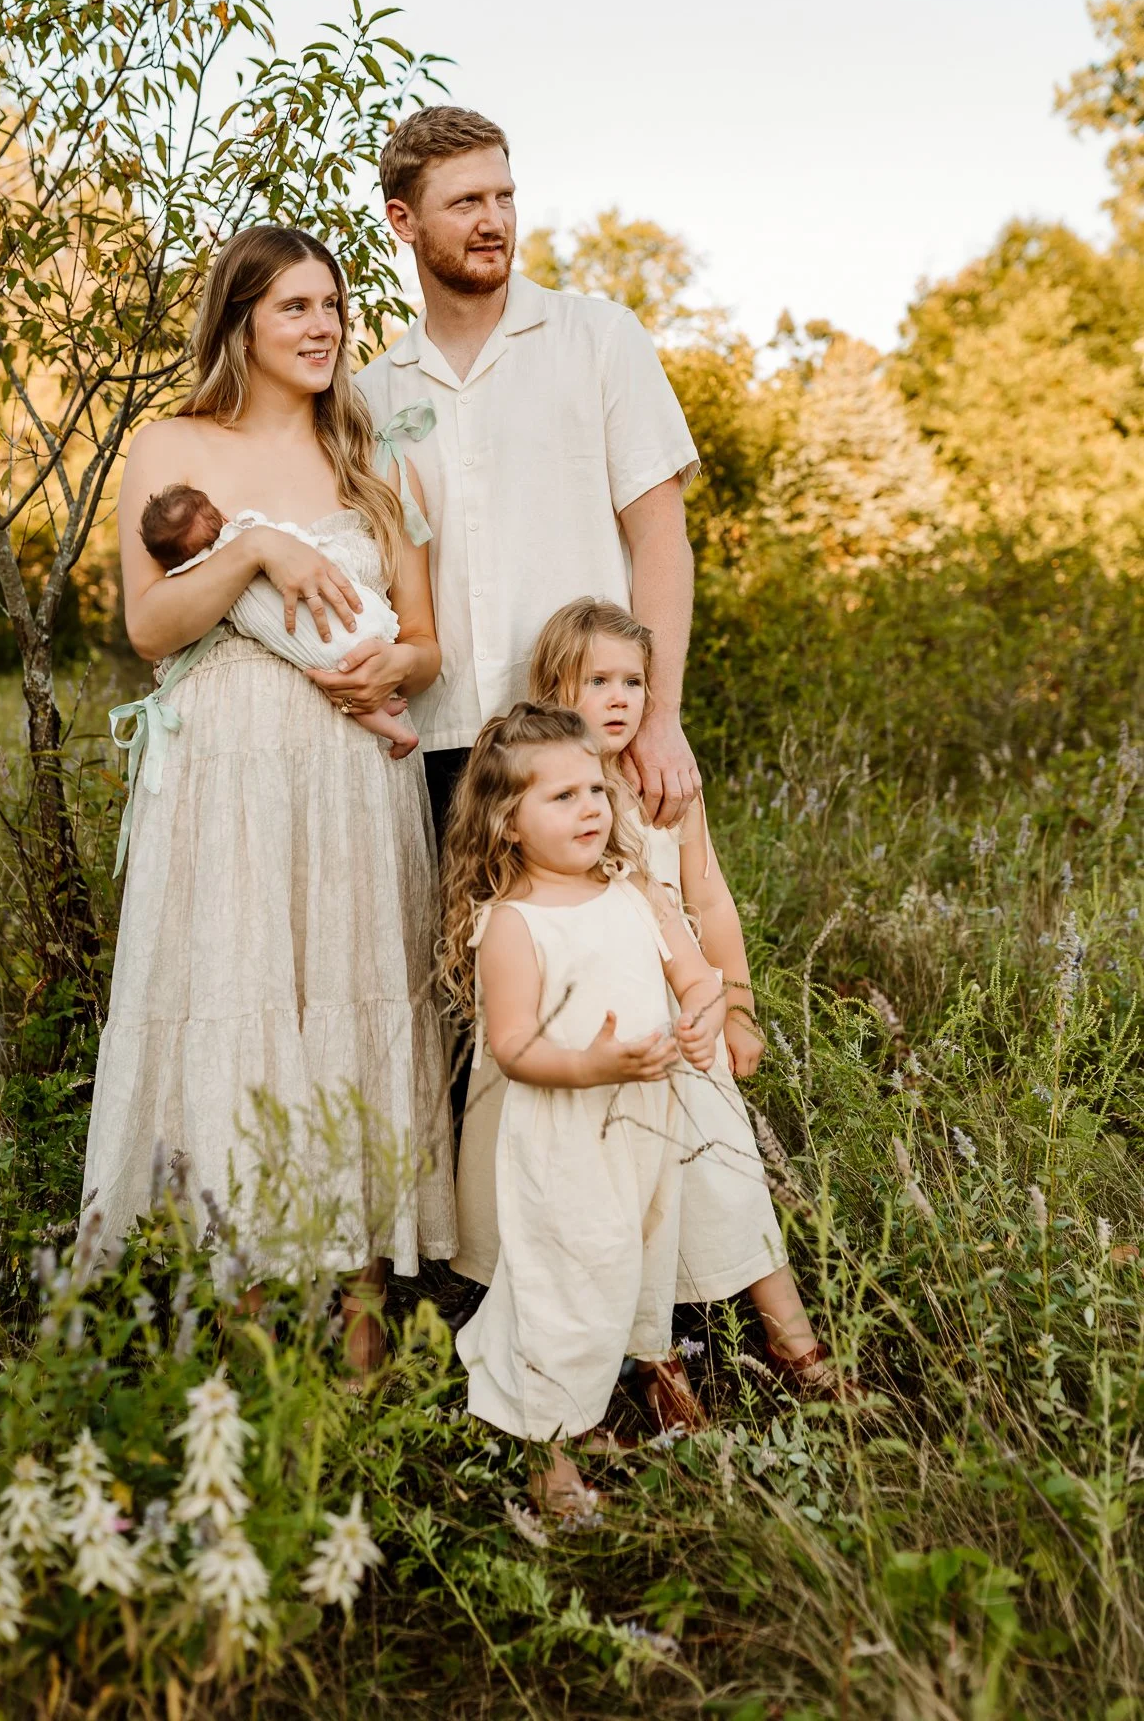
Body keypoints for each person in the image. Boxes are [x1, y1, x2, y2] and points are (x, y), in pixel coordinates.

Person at [84, 225, 456, 1377]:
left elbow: (428, 641)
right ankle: (246, 1324)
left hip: (349, 772)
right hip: (225, 771)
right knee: (241, 994)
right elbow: (148, 628)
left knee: (347, 1004)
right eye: (295, 305)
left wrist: (395, 669)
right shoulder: (168, 444)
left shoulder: (370, 461)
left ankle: (357, 1326)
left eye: (334, 304)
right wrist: (252, 551)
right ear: (241, 319)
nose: (323, 324)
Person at [523, 597, 853, 1398]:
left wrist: (737, 1008)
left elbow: (709, 900)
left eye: (632, 681)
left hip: (691, 1015)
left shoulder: (667, 779)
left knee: (728, 1175)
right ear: (552, 688)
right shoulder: (551, 787)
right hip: (607, 1028)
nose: (616, 698)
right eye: (595, 679)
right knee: (631, 1198)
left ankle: (795, 1344)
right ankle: (655, 1364)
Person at [354, 106, 702, 861]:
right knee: (467, 974)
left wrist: (659, 718)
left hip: (588, 746)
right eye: (465, 203)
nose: (493, 221)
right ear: (402, 220)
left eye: (504, 197)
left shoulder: (600, 339)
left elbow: (660, 541)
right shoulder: (368, 396)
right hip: (440, 751)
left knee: (627, 965)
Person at [438, 704, 725, 1513]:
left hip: (644, 1131)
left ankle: (580, 1404)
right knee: (568, 1288)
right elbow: (513, 1049)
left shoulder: (632, 893)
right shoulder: (513, 927)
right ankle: (547, 1454)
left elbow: (698, 981)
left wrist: (701, 1026)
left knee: (626, 1277)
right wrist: (595, 1062)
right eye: (561, 798)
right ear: (505, 824)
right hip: (563, 1138)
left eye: (595, 789)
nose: (592, 809)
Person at [137, 480, 420, 757]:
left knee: (342, 679)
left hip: (306, 651)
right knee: (346, 677)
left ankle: (392, 725)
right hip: (343, 620)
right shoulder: (245, 531)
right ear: (221, 516)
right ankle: (390, 719)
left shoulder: (199, 573)